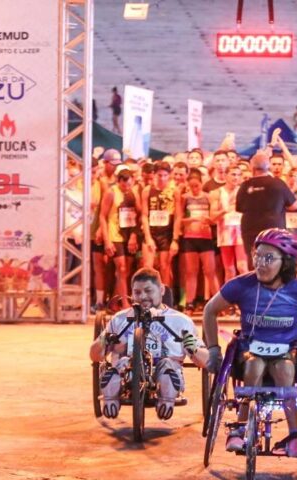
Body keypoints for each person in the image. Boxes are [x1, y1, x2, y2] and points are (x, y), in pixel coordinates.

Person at [202, 229, 297, 458]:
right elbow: (209, 310)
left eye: (269, 258)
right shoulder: (241, 285)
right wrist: (213, 350)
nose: (260, 263)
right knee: (254, 366)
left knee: (285, 369)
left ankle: (294, 435)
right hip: (249, 349)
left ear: (286, 263)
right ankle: (241, 426)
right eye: (257, 256)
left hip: (287, 351)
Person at [90, 268, 208, 421]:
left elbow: (206, 361)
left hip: (166, 369)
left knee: (167, 367)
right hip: (128, 371)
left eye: (148, 291)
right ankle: (111, 393)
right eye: (137, 292)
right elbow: (94, 356)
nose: (143, 297)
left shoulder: (181, 321)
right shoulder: (120, 319)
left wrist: (192, 347)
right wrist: (104, 339)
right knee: (123, 363)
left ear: (161, 290)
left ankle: (166, 398)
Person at [173, 168, 218, 312]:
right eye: (191, 186)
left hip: (206, 238)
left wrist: (209, 219)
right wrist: (192, 219)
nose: (194, 189)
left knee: (210, 271)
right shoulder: (185, 198)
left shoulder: (208, 197)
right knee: (191, 272)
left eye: (197, 186)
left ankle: (219, 303)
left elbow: (214, 219)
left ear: (201, 183)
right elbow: (179, 219)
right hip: (190, 238)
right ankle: (189, 303)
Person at [235, 151, 296, 257]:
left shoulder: (245, 185)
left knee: (254, 260)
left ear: (252, 168)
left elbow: (239, 208)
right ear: (268, 167)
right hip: (273, 229)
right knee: (273, 259)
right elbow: (293, 205)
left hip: (251, 230)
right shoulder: (278, 183)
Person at [99, 167, 140, 307]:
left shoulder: (133, 193)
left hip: (129, 233)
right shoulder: (111, 193)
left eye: (129, 185)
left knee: (126, 269)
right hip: (114, 233)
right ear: (118, 182)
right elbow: (102, 216)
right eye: (124, 185)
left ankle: (115, 300)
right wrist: (107, 240)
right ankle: (124, 302)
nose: (126, 188)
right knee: (121, 268)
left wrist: (134, 235)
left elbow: (139, 214)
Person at [139, 161, 177, 287]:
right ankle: (148, 296)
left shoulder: (174, 191)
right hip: (151, 231)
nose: (162, 178)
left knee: (165, 267)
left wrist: (175, 239)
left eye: (165, 175)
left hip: (166, 233)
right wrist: (148, 237)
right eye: (159, 175)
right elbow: (144, 215)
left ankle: (165, 296)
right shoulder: (147, 190)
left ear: (169, 176)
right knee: (148, 267)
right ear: (154, 174)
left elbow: (178, 217)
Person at [209, 164, 247, 282]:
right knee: (229, 269)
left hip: (241, 233)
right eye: (233, 174)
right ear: (225, 175)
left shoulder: (244, 192)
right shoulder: (216, 193)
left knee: (242, 267)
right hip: (225, 233)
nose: (236, 177)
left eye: (238, 175)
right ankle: (230, 293)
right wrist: (225, 210)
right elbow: (212, 217)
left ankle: (246, 293)